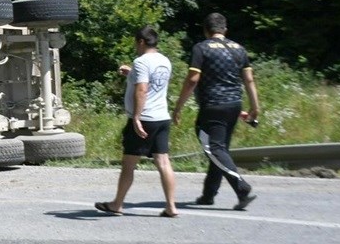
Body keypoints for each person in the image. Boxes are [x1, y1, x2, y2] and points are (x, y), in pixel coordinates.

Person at [172, 12, 261, 210]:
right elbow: (249, 79)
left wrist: (178, 106)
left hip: (212, 105)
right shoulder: (239, 49)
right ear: (225, 30)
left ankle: (242, 188)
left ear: (206, 30)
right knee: (219, 150)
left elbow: (193, 80)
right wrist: (255, 107)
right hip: (234, 105)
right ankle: (208, 194)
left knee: (214, 149)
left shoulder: (201, 48)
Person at [95, 26, 179, 217]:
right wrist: (131, 73)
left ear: (141, 42)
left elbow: (142, 89)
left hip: (145, 118)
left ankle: (117, 204)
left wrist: (137, 118)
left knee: (129, 163)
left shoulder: (141, 61)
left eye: (135, 42)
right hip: (162, 117)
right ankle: (171, 206)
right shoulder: (164, 61)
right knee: (163, 162)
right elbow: (154, 81)